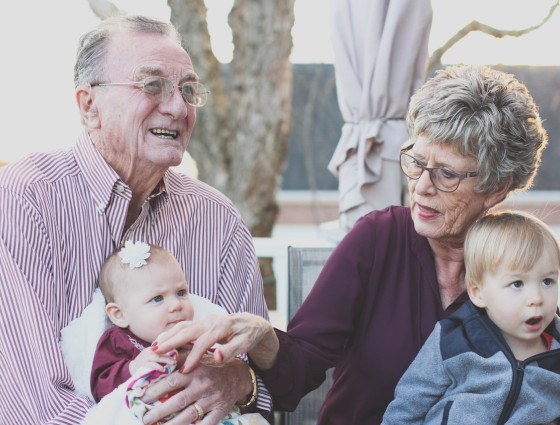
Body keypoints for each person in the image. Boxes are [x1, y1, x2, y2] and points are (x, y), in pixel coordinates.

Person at [149, 65, 549, 424]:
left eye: (446, 174)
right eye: (415, 161)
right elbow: (297, 373)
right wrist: (263, 334)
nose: (421, 187)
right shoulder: (378, 240)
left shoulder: (527, 266)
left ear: (495, 189)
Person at [0, 15, 271, 425]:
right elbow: (34, 405)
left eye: (187, 90)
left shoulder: (217, 218)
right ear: (89, 106)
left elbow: (263, 383)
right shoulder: (25, 199)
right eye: (152, 85)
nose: (179, 107)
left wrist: (240, 378)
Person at [382, 211, 560, 424]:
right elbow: (409, 404)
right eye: (517, 284)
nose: (536, 298)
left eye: (547, 281)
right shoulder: (455, 339)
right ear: (478, 292)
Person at [85, 241, 268, 425]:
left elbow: (220, 380)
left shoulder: (197, 337)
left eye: (181, 292)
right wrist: (133, 367)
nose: (176, 305)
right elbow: (100, 386)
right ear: (120, 315)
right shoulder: (120, 340)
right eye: (157, 298)